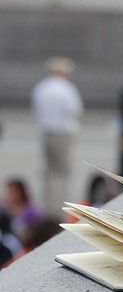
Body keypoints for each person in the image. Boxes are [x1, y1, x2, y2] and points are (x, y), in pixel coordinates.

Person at [31, 60, 83, 214]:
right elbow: (75, 109)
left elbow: (36, 109)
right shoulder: (66, 88)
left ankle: (47, 203)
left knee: (49, 170)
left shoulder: (41, 87)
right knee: (62, 171)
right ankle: (60, 204)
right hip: (62, 131)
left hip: (46, 131)